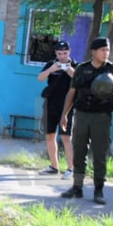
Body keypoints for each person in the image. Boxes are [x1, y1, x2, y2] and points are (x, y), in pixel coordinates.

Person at [60, 37, 113, 204]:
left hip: (101, 117)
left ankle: (98, 190)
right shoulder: (82, 69)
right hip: (81, 115)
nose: (106, 53)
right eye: (103, 50)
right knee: (79, 151)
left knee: (99, 154)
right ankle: (77, 186)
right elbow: (71, 92)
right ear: (93, 52)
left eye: (108, 50)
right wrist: (64, 114)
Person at [36, 40, 75, 176]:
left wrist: (69, 70)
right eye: (59, 53)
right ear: (56, 53)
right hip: (50, 104)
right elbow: (40, 78)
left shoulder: (76, 65)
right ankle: (54, 167)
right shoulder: (51, 64)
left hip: (67, 106)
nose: (62, 56)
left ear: (69, 52)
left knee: (66, 137)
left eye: (65, 53)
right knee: (50, 135)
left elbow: (81, 80)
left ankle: (71, 169)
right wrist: (52, 69)